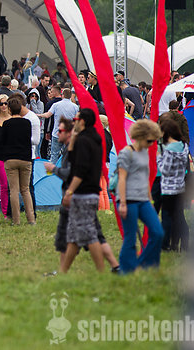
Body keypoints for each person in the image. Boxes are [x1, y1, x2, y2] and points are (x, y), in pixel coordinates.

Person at [45, 117, 120, 274]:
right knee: (79, 236)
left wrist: (55, 170)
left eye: (60, 131)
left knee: (83, 236)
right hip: (84, 194)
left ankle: (101, 271)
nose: (57, 133)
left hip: (78, 197)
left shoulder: (78, 147)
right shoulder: (88, 142)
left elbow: (74, 173)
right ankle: (113, 266)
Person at [58, 109, 105, 273]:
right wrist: (73, 138)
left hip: (84, 192)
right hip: (88, 191)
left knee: (90, 235)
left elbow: (79, 170)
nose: (73, 121)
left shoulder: (84, 142)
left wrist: (69, 192)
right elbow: (72, 159)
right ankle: (63, 272)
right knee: (73, 235)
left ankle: (101, 272)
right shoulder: (92, 138)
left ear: (82, 121)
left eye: (76, 119)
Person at [116, 119, 164, 273]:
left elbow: (145, 176)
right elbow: (122, 178)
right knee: (130, 238)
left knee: (158, 232)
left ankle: (144, 263)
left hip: (143, 200)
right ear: (140, 136)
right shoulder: (126, 152)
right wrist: (122, 203)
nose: (151, 144)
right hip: (129, 199)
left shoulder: (145, 152)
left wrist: (150, 200)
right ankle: (126, 271)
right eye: (149, 141)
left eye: (153, 141)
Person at [157, 118, 189, 252]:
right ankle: (183, 243)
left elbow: (165, 170)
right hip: (180, 186)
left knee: (168, 217)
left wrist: (159, 157)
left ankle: (166, 244)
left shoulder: (169, 149)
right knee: (179, 216)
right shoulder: (183, 146)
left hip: (168, 188)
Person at [2, 96, 35, 226]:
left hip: (11, 159)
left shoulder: (6, 124)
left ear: (9, 109)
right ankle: (31, 218)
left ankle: (16, 220)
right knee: (25, 190)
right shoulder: (27, 123)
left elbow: (3, 141)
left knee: (14, 190)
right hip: (25, 158)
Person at [39, 87, 79, 165]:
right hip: (69, 134)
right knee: (68, 155)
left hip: (57, 133)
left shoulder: (56, 105)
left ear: (62, 95)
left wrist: (38, 115)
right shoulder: (75, 107)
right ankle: (67, 170)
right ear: (70, 96)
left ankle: (52, 171)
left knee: (54, 155)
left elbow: (47, 115)